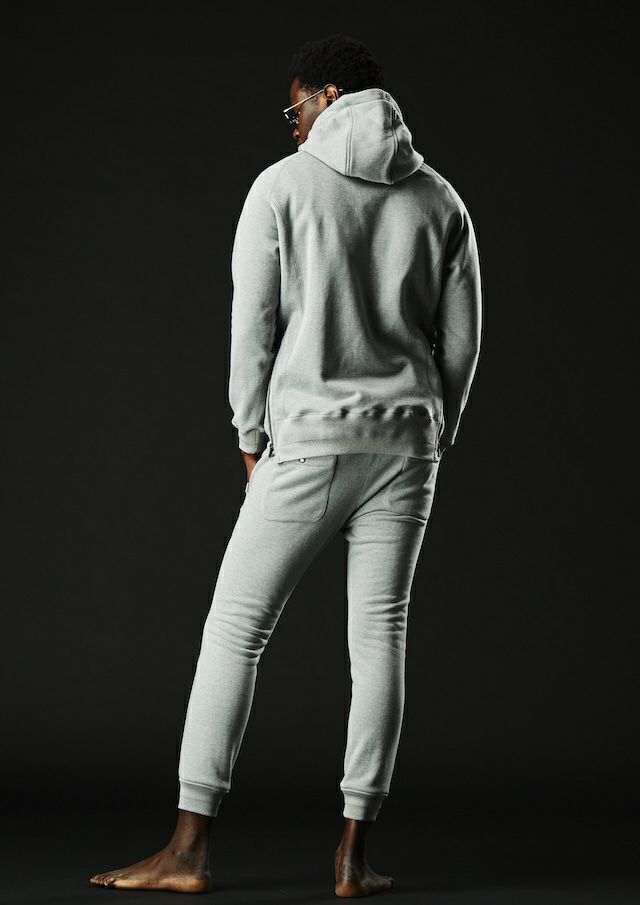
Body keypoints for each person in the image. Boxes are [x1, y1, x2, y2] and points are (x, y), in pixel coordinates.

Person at [89, 32, 482, 897]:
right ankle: (353, 856)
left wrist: (249, 434)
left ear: (327, 95)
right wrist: (434, 429)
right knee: (379, 637)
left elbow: (252, 325)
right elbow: (463, 340)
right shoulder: (440, 198)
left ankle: (188, 850)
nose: (293, 124)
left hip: (307, 437)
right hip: (406, 445)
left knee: (236, 630)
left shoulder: (282, 186)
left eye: (295, 107)